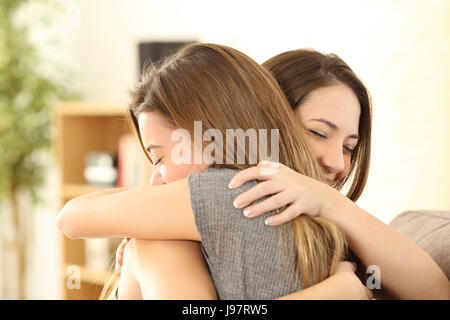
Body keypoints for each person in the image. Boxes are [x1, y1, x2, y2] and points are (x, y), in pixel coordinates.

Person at [56, 43, 373, 300]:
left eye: (160, 157)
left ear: (210, 138)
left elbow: (70, 217)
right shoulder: (299, 212)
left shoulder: (228, 193)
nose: (155, 180)